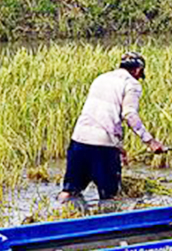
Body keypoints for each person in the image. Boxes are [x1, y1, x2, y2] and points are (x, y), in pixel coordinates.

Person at [58, 52, 166, 203]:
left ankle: (56, 216)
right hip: (103, 146)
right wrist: (150, 142)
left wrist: (118, 146)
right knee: (110, 197)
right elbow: (129, 114)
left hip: (79, 139)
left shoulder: (101, 78)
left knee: (69, 191)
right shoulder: (132, 84)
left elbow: (102, 115)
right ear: (138, 70)